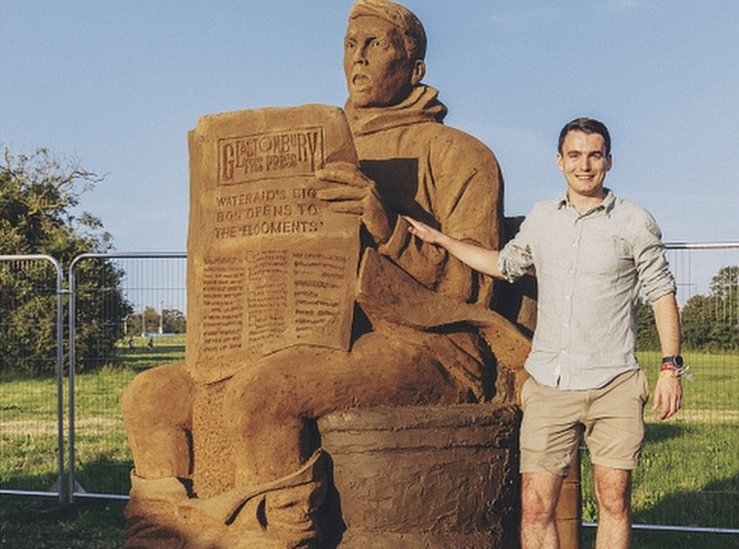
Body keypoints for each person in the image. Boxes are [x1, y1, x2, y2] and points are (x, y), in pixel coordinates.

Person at [122, 0, 513, 545]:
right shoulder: (318, 146)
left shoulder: (459, 155)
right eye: (352, 45)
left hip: (426, 345)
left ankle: (280, 534)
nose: (359, 58)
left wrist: (387, 227)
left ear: (415, 68)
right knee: (150, 395)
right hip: (298, 332)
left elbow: (473, 290)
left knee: (265, 392)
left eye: (376, 45)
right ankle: (163, 533)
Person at [406, 117, 684, 549]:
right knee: (536, 506)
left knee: (613, 503)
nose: (585, 165)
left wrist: (670, 368)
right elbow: (501, 264)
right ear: (560, 162)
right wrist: (443, 240)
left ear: (608, 160)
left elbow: (663, 293)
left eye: (594, 155)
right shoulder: (540, 219)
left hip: (614, 383)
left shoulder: (634, 222)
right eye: (575, 155)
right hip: (550, 384)